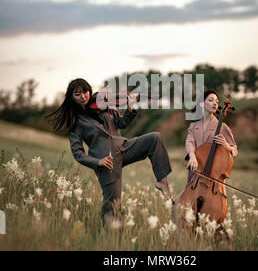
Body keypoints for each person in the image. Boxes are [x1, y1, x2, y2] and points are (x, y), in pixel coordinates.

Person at [45, 78, 172, 227]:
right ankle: (112, 239)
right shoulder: (76, 122)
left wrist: (131, 106)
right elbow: (78, 153)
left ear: (90, 91)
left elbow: (122, 123)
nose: (83, 96)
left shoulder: (105, 104)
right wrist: (97, 162)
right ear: (72, 97)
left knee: (155, 138)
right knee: (113, 204)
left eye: (85, 92)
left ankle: (162, 182)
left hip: (124, 147)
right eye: (77, 94)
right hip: (106, 161)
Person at [185, 89, 238, 184]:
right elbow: (189, 143)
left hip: (214, 177)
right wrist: (192, 157)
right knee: (180, 199)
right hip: (195, 174)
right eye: (210, 100)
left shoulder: (222, 127)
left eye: (217, 102)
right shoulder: (193, 127)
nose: (215, 103)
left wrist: (227, 146)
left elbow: (235, 151)